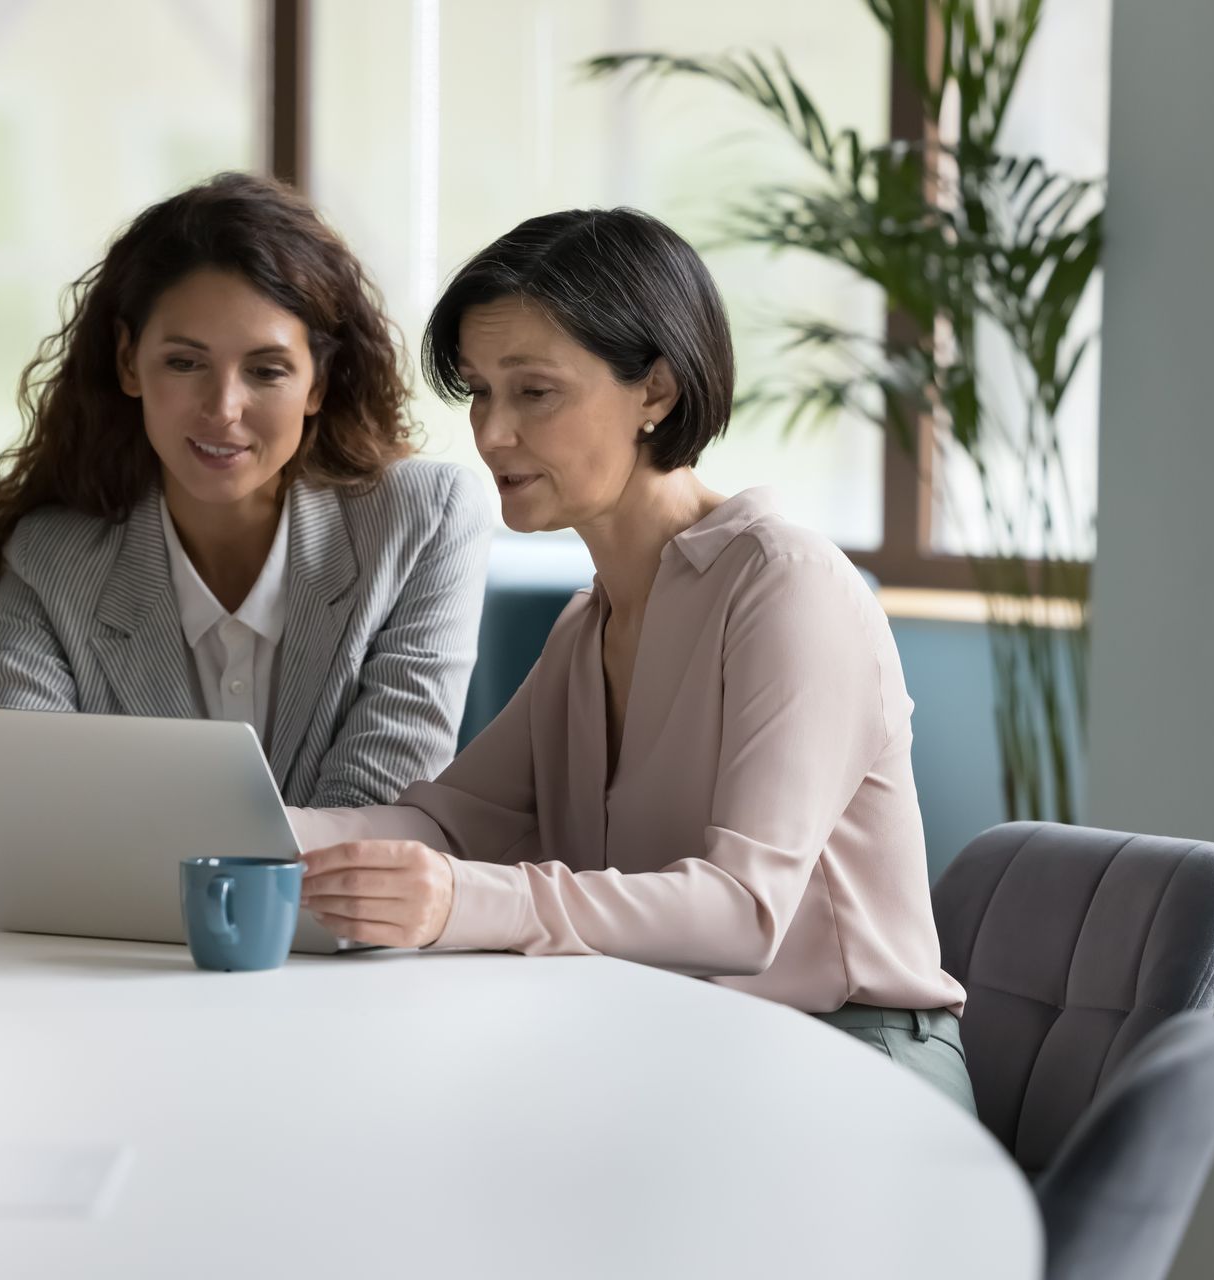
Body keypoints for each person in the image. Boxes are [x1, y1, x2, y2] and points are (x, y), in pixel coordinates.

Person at [287, 208, 974, 1115]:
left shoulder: (785, 584)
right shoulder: (587, 626)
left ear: (656, 390)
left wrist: (465, 901)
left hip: (850, 1061)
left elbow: (745, 914)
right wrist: (236, 836)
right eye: (481, 393)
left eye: (534, 392)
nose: (492, 433)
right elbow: (447, 827)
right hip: (676, 1045)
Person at [0, 172, 490, 808]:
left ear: (320, 381)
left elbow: (376, 823)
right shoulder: (55, 558)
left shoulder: (423, 523)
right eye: (184, 362)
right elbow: (12, 820)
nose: (224, 408)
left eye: (268, 370)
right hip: (119, 979)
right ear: (128, 363)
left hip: (351, 983)